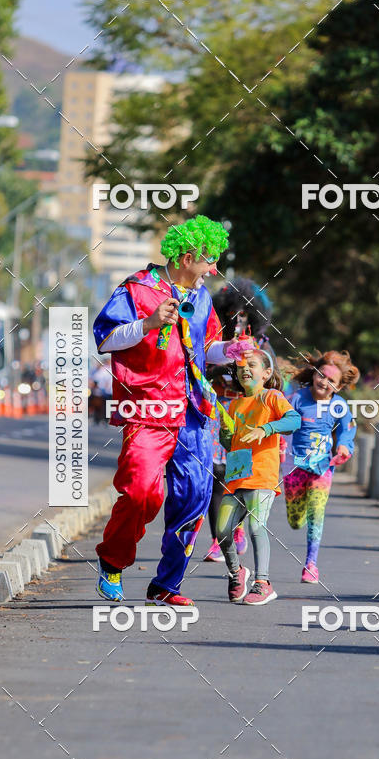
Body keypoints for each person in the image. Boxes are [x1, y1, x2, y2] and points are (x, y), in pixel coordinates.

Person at [92, 215, 246, 606]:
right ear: (187, 255)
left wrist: (230, 351)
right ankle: (112, 561)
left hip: (191, 411)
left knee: (194, 496)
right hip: (147, 409)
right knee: (143, 491)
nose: (212, 269)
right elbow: (105, 338)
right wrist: (147, 323)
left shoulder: (202, 297)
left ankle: (166, 585)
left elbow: (204, 348)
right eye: (208, 259)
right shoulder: (137, 288)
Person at [216, 348, 300, 605]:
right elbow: (229, 443)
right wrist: (226, 435)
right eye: (240, 365)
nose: (244, 369)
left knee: (255, 526)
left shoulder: (271, 397)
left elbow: (294, 420)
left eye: (251, 364)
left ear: (266, 373)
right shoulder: (234, 404)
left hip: (263, 476)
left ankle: (262, 582)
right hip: (237, 477)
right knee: (222, 531)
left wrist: (266, 429)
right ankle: (236, 572)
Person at [204, 278, 274, 562]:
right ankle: (217, 539)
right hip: (217, 410)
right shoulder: (214, 340)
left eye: (245, 312)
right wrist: (219, 368)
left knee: (238, 475)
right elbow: (199, 370)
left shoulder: (262, 344)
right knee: (215, 475)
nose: (238, 317)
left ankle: (239, 529)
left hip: (248, 412)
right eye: (233, 310)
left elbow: (274, 381)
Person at [283, 350, 359, 584]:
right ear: (314, 374)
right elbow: (281, 421)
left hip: (322, 467)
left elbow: (348, 429)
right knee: (296, 521)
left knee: (317, 511)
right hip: (294, 465)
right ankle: (299, 514)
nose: (324, 382)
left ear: (337, 387)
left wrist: (345, 447)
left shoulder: (339, 406)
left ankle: (311, 564)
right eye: (321, 376)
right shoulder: (297, 398)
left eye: (331, 381)